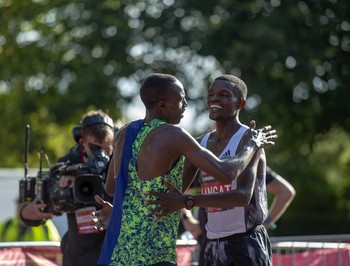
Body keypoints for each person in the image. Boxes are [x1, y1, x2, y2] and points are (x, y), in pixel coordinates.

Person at [92, 73, 276, 265]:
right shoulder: (178, 136)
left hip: (118, 250)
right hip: (153, 252)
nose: (186, 104)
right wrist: (253, 144)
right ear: (163, 105)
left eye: (223, 94)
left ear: (240, 103)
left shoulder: (123, 133)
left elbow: (112, 188)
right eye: (181, 99)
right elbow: (226, 173)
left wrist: (126, 210)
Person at [146, 74, 276, 265]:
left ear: (240, 103)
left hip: (245, 241)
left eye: (223, 94)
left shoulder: (250, 140)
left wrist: (189, 201)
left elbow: (242, 196)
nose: (214, 98)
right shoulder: (200, 143)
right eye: (211, 94)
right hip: (211, 242)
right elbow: (175, 187)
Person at [19, 109, 115, 266]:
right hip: (77, 254)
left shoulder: (122, 161)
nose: (102, 154)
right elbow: (42, 206)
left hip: (113, 253)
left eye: (107, 148)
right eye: (96, 148)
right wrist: (27, 212)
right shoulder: (66, 164)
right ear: (82, 142)